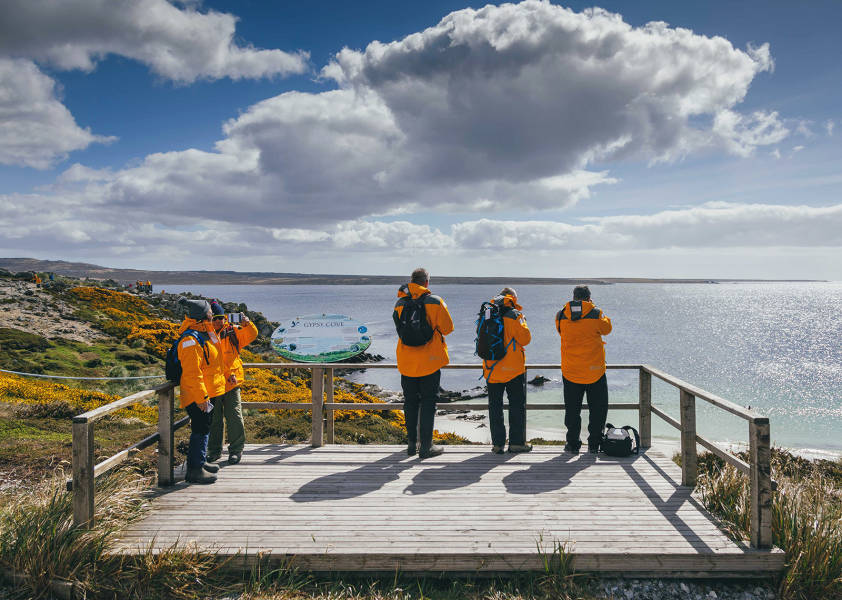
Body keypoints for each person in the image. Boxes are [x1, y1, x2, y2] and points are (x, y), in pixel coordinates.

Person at [393, 268, 454, 459]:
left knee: (410, 403)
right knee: (428, 404)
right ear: (427, 282)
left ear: (411, 281)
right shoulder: (435, 301)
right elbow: (448, 328)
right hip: (430, 362)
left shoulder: (400, 303)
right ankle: (426, 447)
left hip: (407, 362)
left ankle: (411, 445)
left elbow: (399, 329)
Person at [555, 285, 613, 454]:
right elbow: (607, 329)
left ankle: (573, 444)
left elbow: (561, 332)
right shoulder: (596, 313)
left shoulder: (560, 315)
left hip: (571, 370)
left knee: (572, 410)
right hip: (595, 371)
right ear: (589, 298)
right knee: (598, 410)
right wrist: (593, 308)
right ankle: (594, 444)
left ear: (573, 297)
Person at [176, 298, 227, 483]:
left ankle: (201, 461)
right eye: (210, 313)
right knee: (199, 429)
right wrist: (202, 397)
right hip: (197, 395)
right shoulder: (190, 340)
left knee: (204, 428)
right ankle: (195, 470)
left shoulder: (204, 332)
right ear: (203, 316)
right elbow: (192, 374)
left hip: (206, 393)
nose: (213, 315)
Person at [207, 300, 258, 465]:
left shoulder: (233, 332)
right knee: (214, 420)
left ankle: (236, 451)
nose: (218, 321)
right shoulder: (204, 335)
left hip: (231, 384)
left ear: (225, 318)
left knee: (235, 417)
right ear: (209, 319)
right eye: (214, 318)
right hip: (213, 384)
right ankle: (214, 451)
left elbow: (252, 335)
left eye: (220, 317)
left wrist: (248, 324)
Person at [482, 287, 532, 454]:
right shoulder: (515, 315)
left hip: (492, 368)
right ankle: (516, 443)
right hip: (513, 369)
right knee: (516, 406)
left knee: (494, 407)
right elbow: (525, 339)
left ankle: (497, 444)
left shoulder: (487, 312)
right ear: (513, 299)